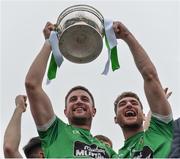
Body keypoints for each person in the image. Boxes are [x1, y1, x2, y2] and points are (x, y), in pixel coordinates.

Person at [25, 22, 117, 158]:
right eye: (73, 100)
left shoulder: (108, 151)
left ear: (94, 111)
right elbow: (32, 85)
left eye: (84, 99)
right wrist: (49, 43)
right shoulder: (55, 131)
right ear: (65, 111)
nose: (79, 101)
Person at [113, 21, 173, 158]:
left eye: (134, 103)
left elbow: (150, 76)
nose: (128, 104)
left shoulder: (160, 130)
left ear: (144, 115)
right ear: (115, 119)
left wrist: (126, 36)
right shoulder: (116, 157)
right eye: (122, 104)